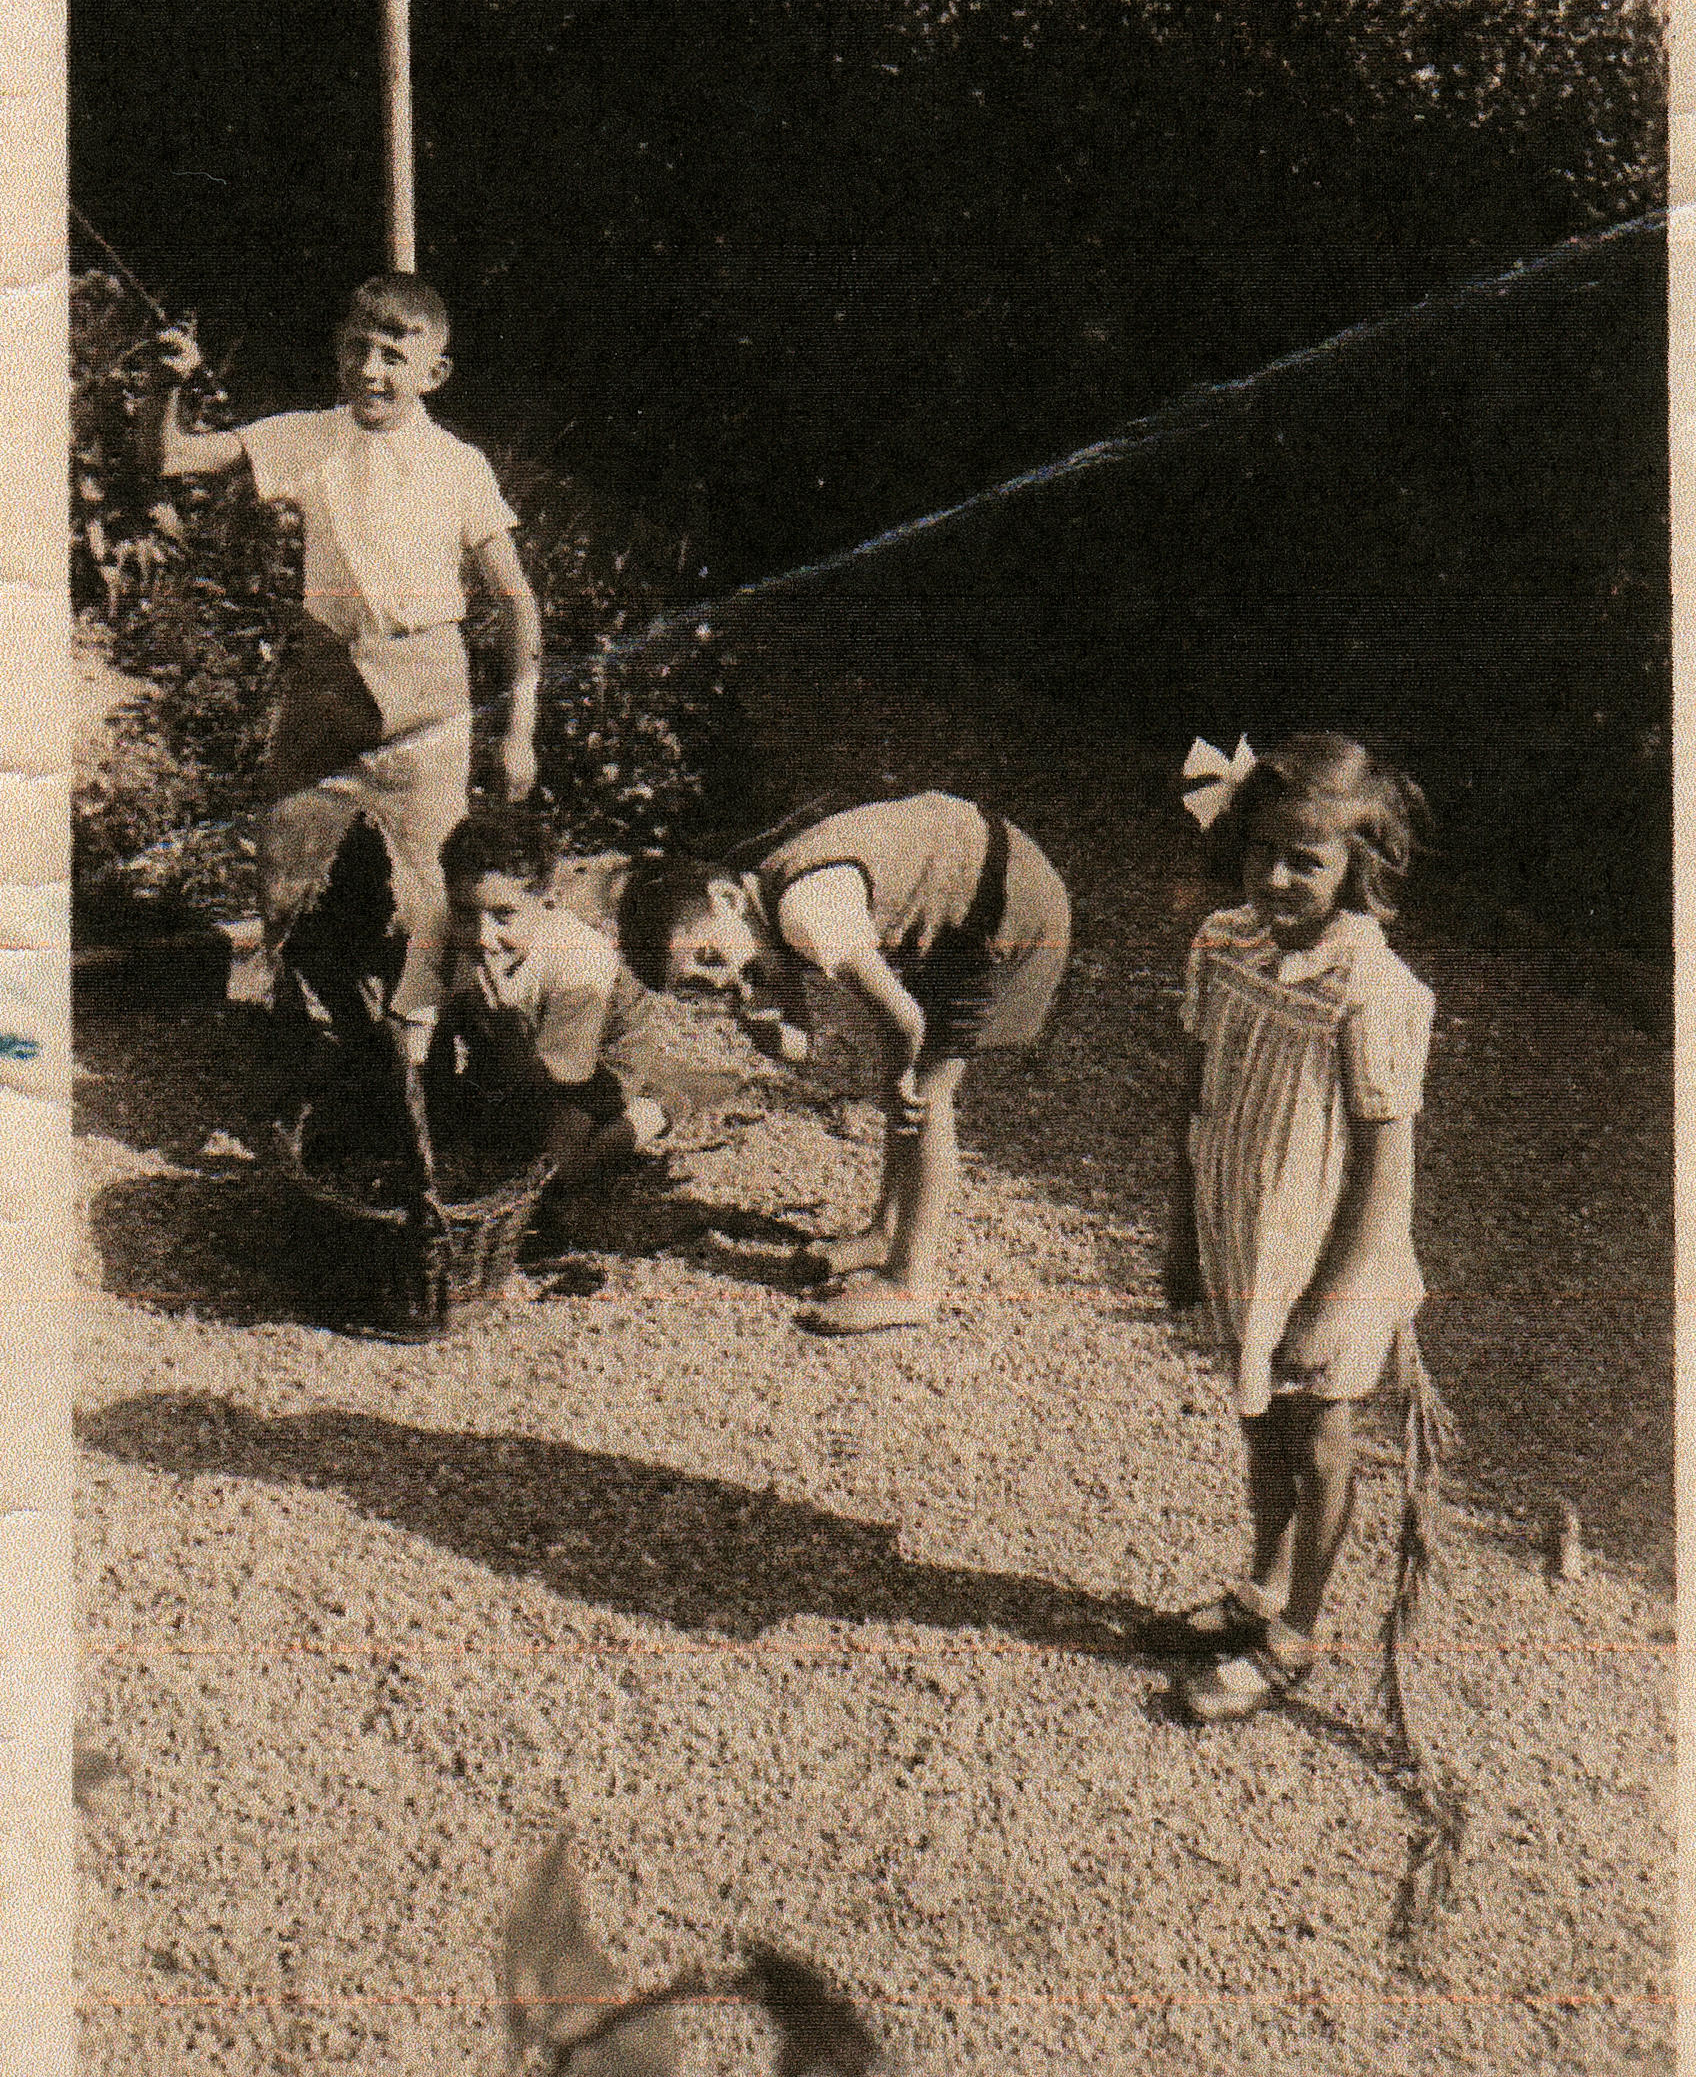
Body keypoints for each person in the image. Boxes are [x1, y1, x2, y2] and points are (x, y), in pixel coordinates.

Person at [156, 274, 542, 1073]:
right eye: (357, 348)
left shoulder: (458, 465)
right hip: (328, 683)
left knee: (434, 894)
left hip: (428, 693)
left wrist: (520, 732)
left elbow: (519, 604)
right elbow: (172, 456)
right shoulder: (309, 436)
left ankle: (437, 1066)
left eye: (393, 355)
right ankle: (312, 1060)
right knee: (285, 877)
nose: (370, 369)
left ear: (431, 372)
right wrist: (172, 383)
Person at [1163, 731, 1436, 1724]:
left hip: (1330, 1257)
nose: (1276, 876)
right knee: (1256, 1420)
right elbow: (1192, 1096)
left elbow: (1383, 1165)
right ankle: (1259, 1587)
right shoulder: (1220, 944)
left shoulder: (1372, 990)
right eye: (1261, 850)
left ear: (1356, 870)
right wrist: (1178, 1230)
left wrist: (1333, 1300)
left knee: (1317, 1436)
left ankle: (1298, 1632)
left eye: (1306, 860)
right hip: (1244, 1236)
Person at [614, 791, 1071, 1335]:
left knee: (926, 1092)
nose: (721, 978)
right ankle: (886, 1232)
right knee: (907, 1082)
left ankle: (912, 1283)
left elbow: (904, 1021)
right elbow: (804, 1045)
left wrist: (899, 1080)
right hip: (962, 888)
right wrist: (771, 1032)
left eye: (709, 956)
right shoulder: (758, 908)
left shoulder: (806, 910)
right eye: (698, 983)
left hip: (1001, 905)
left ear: (726, 899)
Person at [427, 805, 669, 1204]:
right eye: (466, 912)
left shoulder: (580, 956)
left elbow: (563, 1077)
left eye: (503, 915)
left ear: (547, 899)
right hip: (515, 1045)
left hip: (595, 1061)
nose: (483, 935)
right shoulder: (441, 930)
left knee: (552, 1175)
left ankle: (650, 1112)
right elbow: (415, 1027)